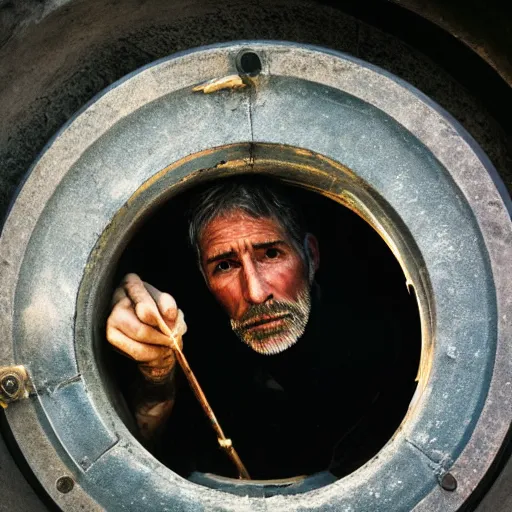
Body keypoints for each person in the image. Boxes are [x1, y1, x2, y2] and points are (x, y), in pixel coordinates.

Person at [106, 177, 418, 479]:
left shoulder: (383, 341)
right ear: (204, 278)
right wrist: (156, 378)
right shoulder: (205, 353)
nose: (255, 293)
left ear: (310, 255)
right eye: (225, 266)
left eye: (270, 253)